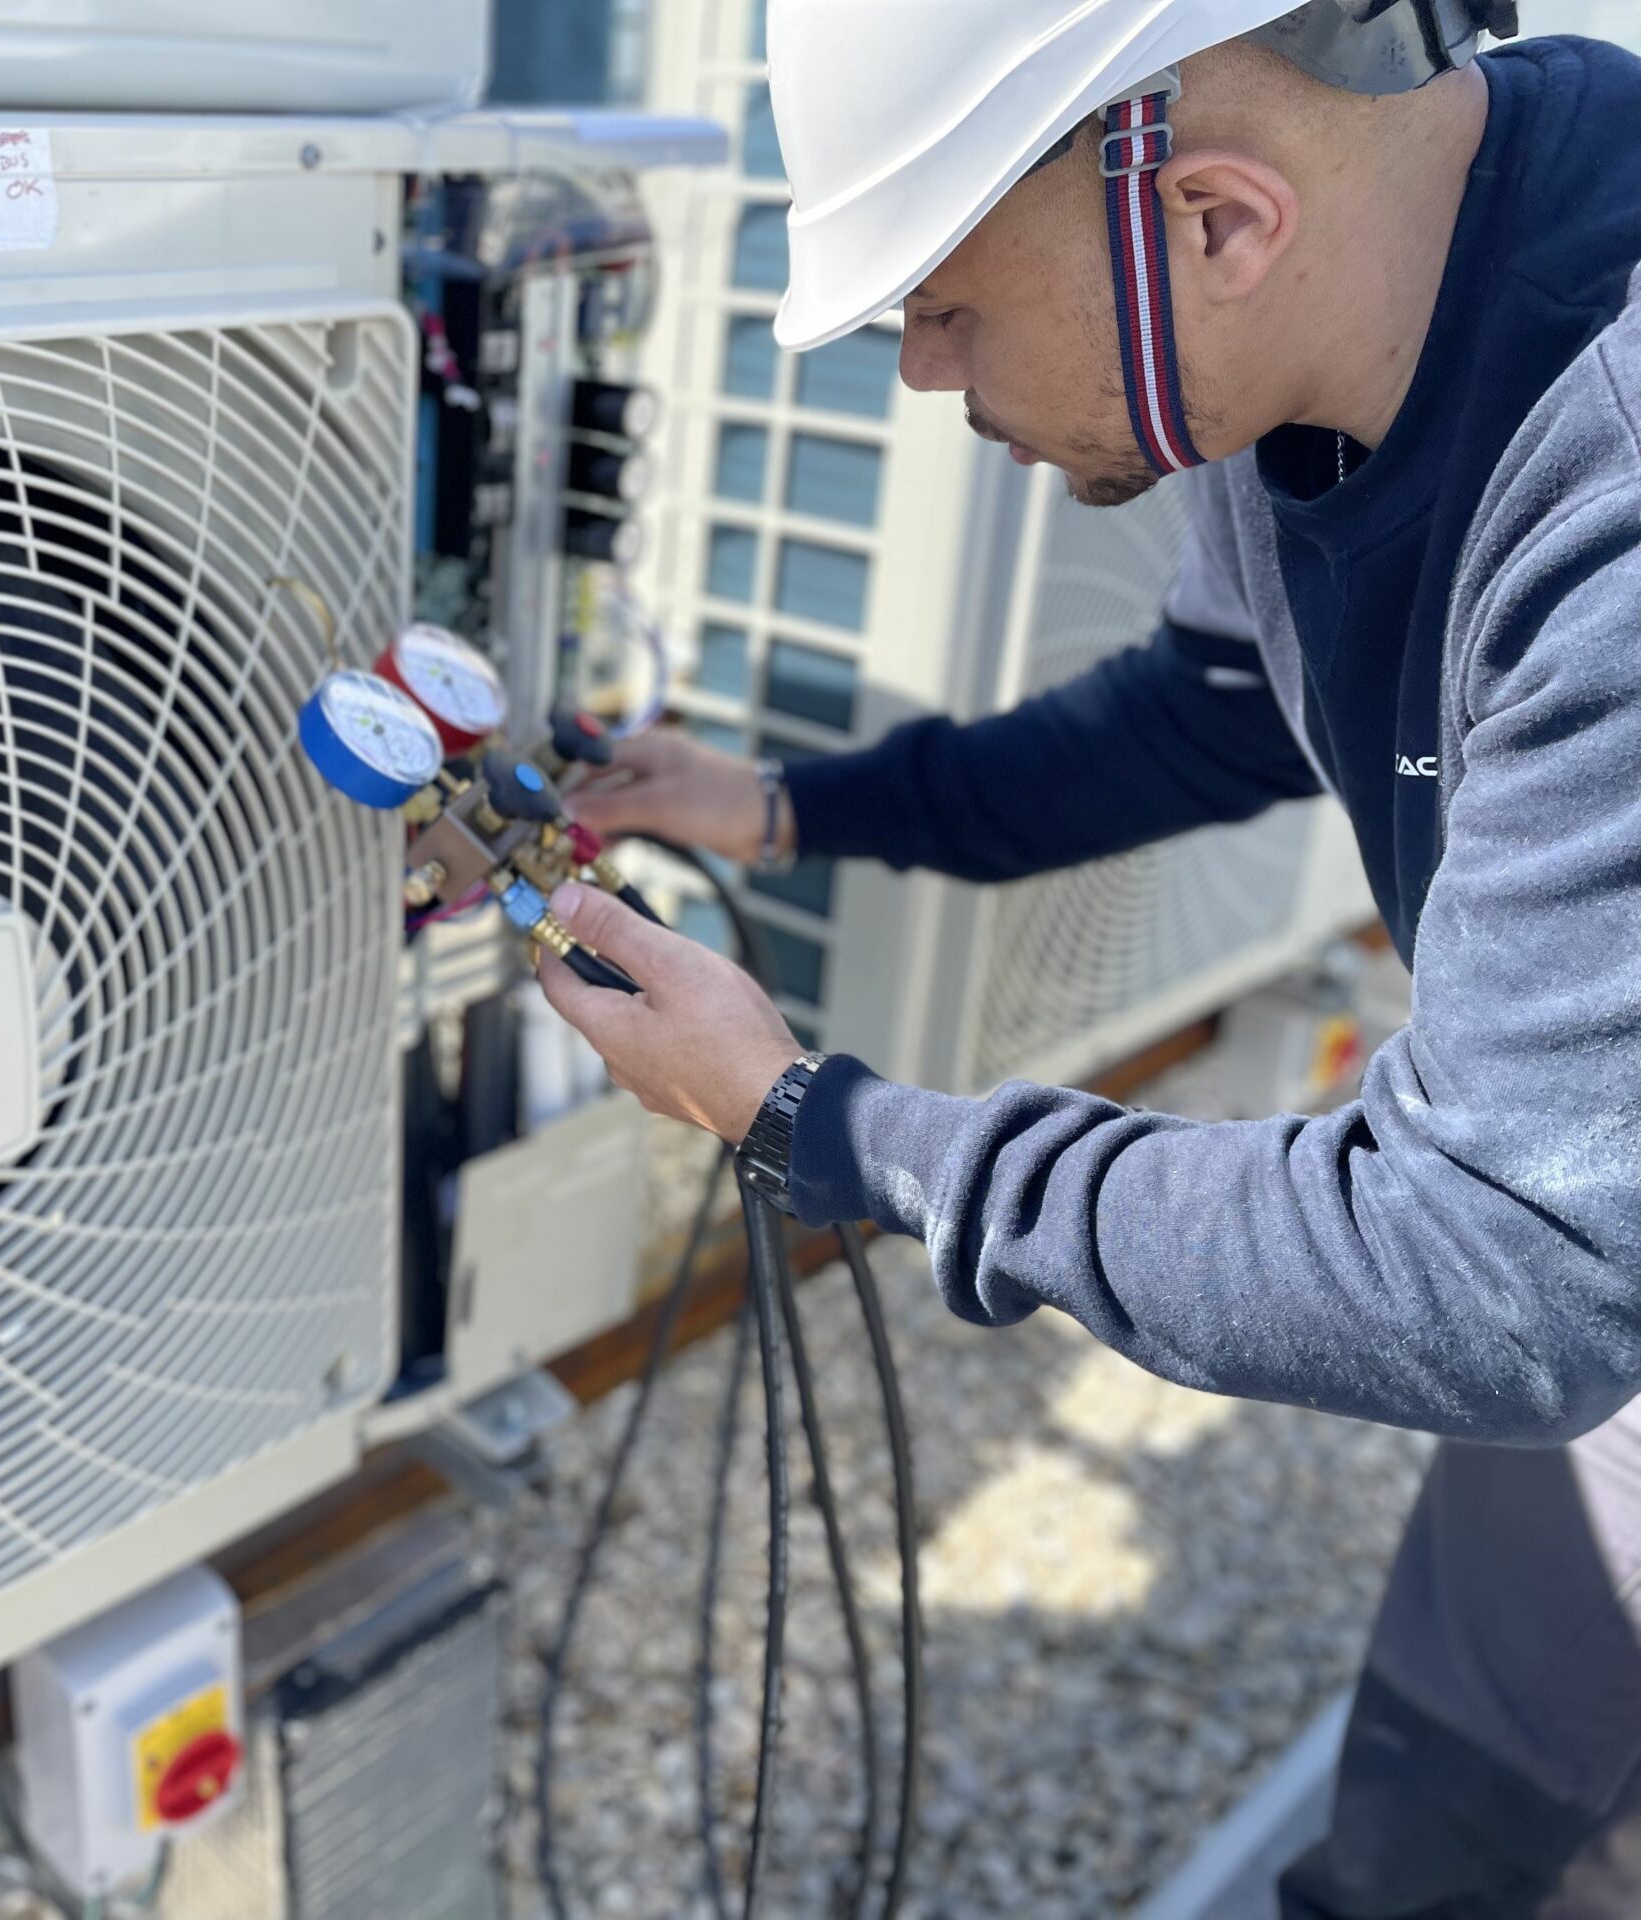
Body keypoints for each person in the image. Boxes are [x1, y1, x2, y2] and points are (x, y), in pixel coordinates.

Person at [535, 1, 1641, 1912]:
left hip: (1563, 1248)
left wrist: (834, 1128)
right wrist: (788, 808)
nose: (922, 379)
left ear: (1212, 219)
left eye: (945, 311)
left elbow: (1505, 1266)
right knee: (1420, 1846)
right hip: (1589, 1223)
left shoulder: (1609, 506)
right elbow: (1217, 706)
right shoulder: (1313, 313)